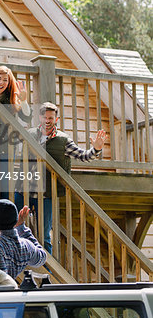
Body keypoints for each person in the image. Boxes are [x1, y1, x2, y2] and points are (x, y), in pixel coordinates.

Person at [15, 102, 107, 254]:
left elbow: (83, 156)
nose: (47, 120)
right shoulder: (29, 134)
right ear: (40, 117)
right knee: (15, 230)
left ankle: (47, 273)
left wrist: (96, 148)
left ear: (56, 119)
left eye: (51, 118)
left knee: (44, 237)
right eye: (45, 117)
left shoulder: (63, 140)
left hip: (46, 195)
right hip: (22, 190)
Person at [0, 66, 32, 199]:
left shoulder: (12, 99)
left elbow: (26, 117)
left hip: (6, 148)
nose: (1, 83)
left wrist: (23, 100)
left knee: (4, 185)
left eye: (5, 80)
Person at [0, 199, 47, 279]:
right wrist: (21, 227)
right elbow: (42, 257)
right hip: (9, 288)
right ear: (15, 220)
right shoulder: (25, 245)